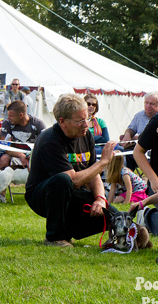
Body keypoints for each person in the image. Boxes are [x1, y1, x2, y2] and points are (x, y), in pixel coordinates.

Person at [25, 93, 115, 247]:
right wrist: (103, 162)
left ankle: (68, 231)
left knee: (113, 217)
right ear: (62, 121)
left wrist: (100, 199)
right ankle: (55, 238)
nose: (86, 125)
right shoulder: (50, 140)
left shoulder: (86, 135)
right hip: (43, 196)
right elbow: (73, 180)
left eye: (86, 119)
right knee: (63, 180)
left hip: (72, 193)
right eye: (80, 121)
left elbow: (92, 173)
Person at [0, 100, 45, 170]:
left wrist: (31, 156)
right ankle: (2, 179)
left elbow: (44, 146)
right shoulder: (7, 123)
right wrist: (20, 155)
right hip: (13, 153)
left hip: (32, 154)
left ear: (21, 115)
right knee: (4, 158)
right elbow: (4, 147)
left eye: (10, 116)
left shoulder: (38, 124)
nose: (8, 118)